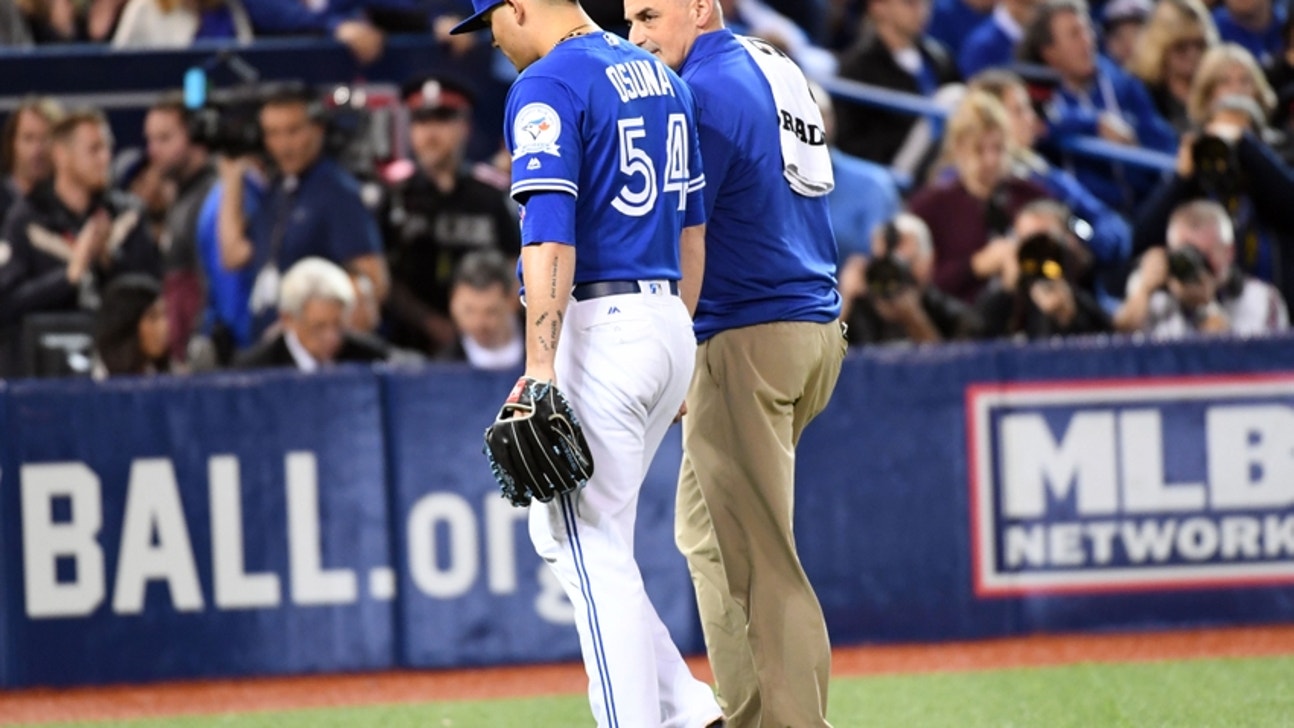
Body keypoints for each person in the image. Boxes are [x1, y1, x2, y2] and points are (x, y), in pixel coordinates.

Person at [449, 2, 723, 727]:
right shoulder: (660, 77)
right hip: (667, 316)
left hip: (603, 325)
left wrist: (539, 366)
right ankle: (691, 708)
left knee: (588, 547)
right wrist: (683, 341)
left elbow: (547, 234)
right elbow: (694, 230)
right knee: (570, 536)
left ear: (516, 7)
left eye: (492, 23)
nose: (496, 41)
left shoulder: (547, 84)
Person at [625, 0, 846, 724]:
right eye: (630, 20)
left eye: (650, 15)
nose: (637, 37)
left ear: (699, 7)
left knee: (762, 563)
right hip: (808, 327)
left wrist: (669, 335)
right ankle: (747, 713)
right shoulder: (773, 63)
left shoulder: (703, 93)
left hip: (748, 334)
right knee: (707, 539)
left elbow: (679, 227)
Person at [217, 83, 388, 338]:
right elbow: (233, 255)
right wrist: (233, 178)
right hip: (273, 348)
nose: (283, 144)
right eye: (272, 133)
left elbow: (374, 284)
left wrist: (313, 331)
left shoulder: (337, 193)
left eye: (293, 131)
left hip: (314, 355)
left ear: (318, 128)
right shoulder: (278, 191)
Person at [0, 108, 161, 377]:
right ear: (62, 156)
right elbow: (5, 303)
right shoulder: (26, 220)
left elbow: (152, 296)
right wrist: (69, 275)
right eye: (94, 149)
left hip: (120, 378)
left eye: (107, 148)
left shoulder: (127, 217)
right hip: (40, 380)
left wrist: (108, 260)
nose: (105, 158)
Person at [383, 73, 520, 356]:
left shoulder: (491, 195)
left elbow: (517, 265)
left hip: (485, 340)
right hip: (409, 345)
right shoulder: (394, 196)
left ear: (464, 127)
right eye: (421, 122)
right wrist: (430, 323)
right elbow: (383, 276)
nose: (430, 134)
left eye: (442, 121)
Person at [1019, 0, 1178, 212]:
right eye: (1075, 34)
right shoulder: (1033, 91)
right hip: (1075, 214)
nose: (1087, 41)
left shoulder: (1123, 83)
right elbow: (1038, 122)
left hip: (1136, 207)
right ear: (1050, 52)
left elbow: (1158, 137)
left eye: (1087, 30)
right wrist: (1094, 124)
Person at [909, 91, 1049, 304]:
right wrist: (975, 266)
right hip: (956, 326)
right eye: (979, 150)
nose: (991, 160)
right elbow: (918, 284)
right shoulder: (929, 207)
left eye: (998, 148)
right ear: (958, 149)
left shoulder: (1032, 196)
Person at [1117, 199, 1288, 336]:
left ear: (1229, 252)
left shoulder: (1262, 300)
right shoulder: (1153, 292)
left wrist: (1205, 307)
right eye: (1185, 253)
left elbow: (1259, 369)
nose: (1195, 265)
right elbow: (1117, 345)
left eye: (1203, 254)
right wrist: (1143, 291)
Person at [834, 0, 961, 167]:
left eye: (926, 3)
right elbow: (850, 141)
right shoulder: (857, 68)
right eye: (910, 3)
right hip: (889, 171)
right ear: (878, 6)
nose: (921, 11)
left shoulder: (939, 58)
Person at [143, 94, 217, 362]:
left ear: (195, 137)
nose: (153, 150)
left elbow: (212, 283)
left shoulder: (212, 197)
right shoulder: (182, 197)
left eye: (164, 138)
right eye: (150, 140)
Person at [234, 257, 391, 370]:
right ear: (288, 319)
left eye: (338, 325)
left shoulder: (368, 358)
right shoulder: (256, 370)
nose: (332, 337)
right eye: (319, 327)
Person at [847, 213, 982, 344]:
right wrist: (844, 302)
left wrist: (914, 320)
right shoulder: (861, 313)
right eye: (885, 266)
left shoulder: (955, 318)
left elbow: (957, 364)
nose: (894, 276)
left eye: (907, 263)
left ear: (929, 260)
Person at [1127, 0, 1218, 133]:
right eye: (1181, 46)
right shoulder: (1140, 93)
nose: (1193, 54)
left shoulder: (1217, 91)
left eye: (1199, 44)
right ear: (1160, 47)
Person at [439, 249, 524, 369]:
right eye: (469, 311)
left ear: (512, 301)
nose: (479, 323)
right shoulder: (445, 367)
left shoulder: (552, 351)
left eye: (491, 311)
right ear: (453, 303)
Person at [0, 96, 62, 228]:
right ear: (12, 143)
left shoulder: (68, 204)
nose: (37, 150)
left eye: (45, 138)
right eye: (28, 138)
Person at [92, 273, 170, 377]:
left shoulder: (173, 375)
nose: (166, 326)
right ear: (127, 325)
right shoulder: (88, 381)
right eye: (153, 317)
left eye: (166, 316)